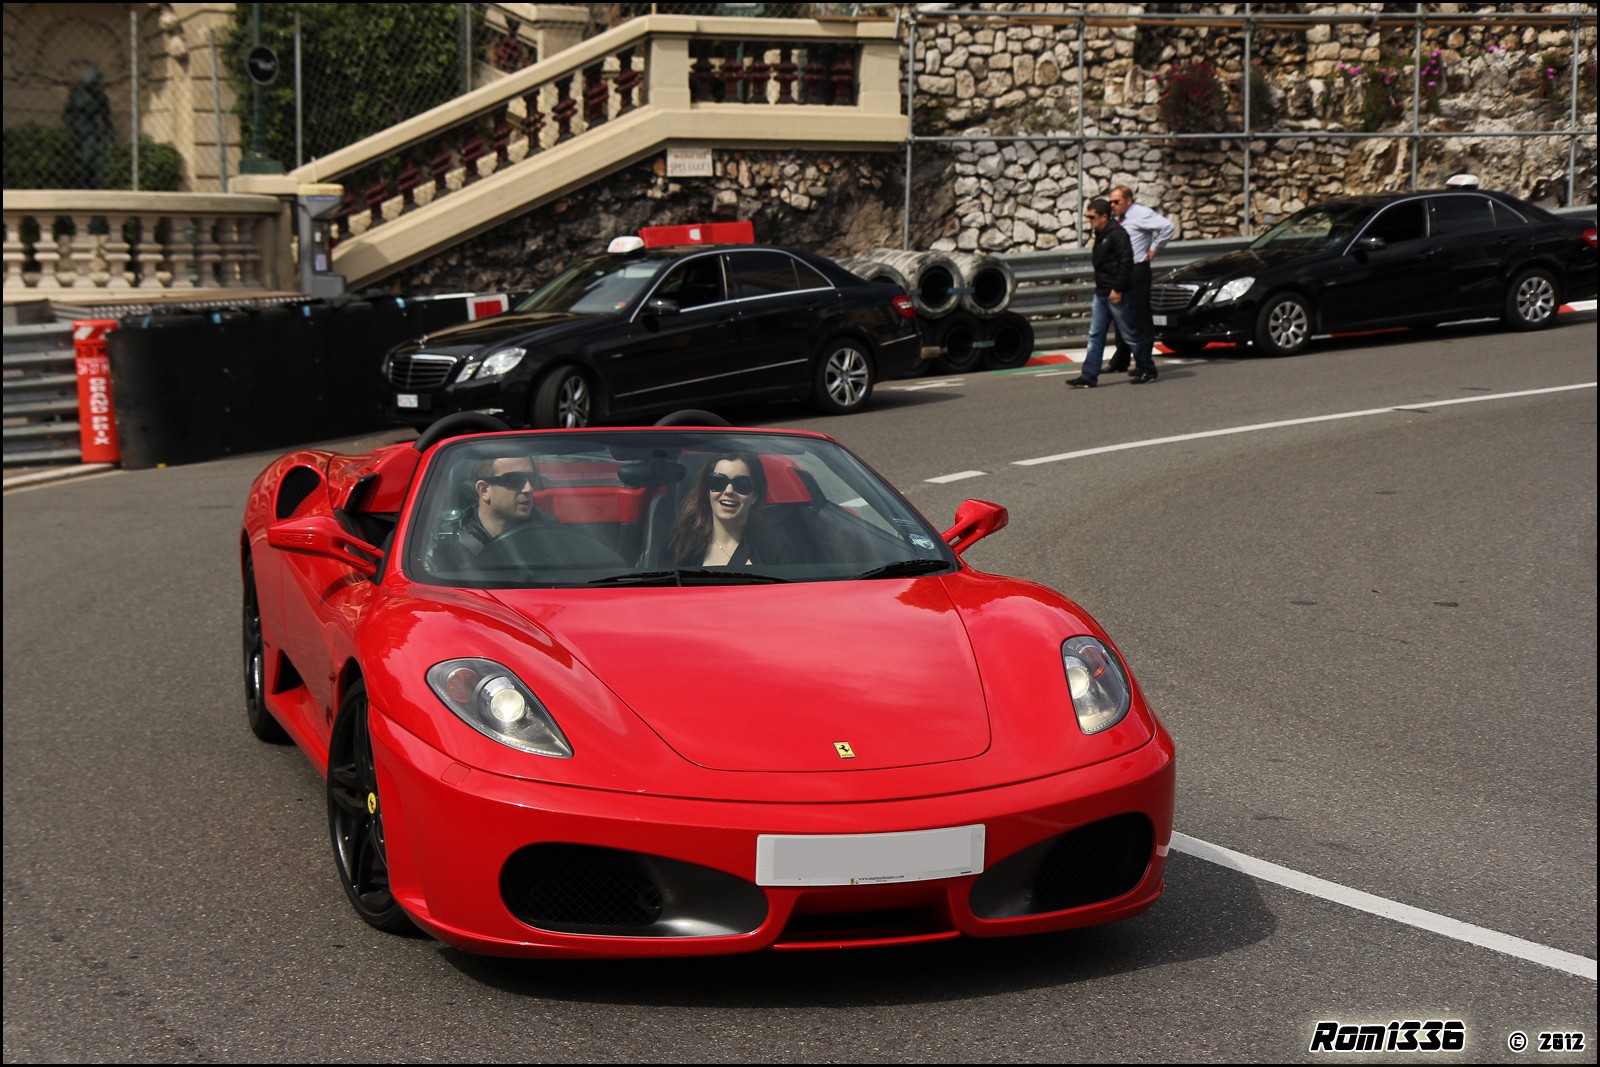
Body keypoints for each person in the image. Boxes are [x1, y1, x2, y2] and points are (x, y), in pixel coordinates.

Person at [1067, 199, 1142, 389]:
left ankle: (1146, 368)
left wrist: (1117, 289)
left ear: (1104, 217)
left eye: (1093, 217)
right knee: (1095, 335)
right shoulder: (1100, 234)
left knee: (1130, 334)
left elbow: (1126, 262)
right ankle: (1089, 376)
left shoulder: (1117, 235)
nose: (1090, 221)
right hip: (1101, 293)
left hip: (1116, 294)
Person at [425, 453, 541, 572]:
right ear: (484, 490)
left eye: (532, 479)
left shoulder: (548, 533)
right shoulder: (448, 545)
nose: (529, 488)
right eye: (513, 479)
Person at [1105, 184, 1174, 381]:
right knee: (1120, 314)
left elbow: (1168, 227)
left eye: (1117, 202)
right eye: (1111, 202)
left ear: (1128, 200)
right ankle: (1121, 359)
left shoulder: (1141, 213)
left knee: (1140, 315)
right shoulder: (1117, 218)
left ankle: (1143, 362)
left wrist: (1154, 248)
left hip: (1137, 269)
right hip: (1122, 270)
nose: (1113, 205)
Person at [668, 453, 768, 567]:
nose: (729, 490)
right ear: (707, 491)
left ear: (755, 495)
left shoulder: (774, 549)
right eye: (718, 482)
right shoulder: (680, 548)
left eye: (742, 484)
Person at [62, 66, 114, 189]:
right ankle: (80, 184)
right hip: (77, 130)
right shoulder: (76, 95)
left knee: (95, 159)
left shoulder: (100, 97)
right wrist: (70, 129)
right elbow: (66, 114)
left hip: (91, 132)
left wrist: (109, 136)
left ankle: (94, 184)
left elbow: (107, 118)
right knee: (82, 160)